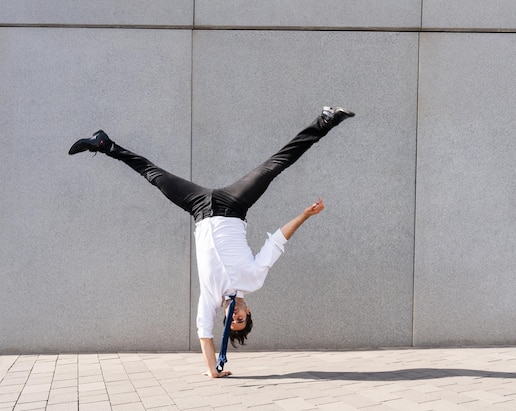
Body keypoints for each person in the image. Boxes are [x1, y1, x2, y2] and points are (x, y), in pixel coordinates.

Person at [68, 106, 355, 377]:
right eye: (240, 320)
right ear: (248, 312)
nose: (234, 319)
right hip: (234, 205)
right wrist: (305, 214)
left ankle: (104, 145)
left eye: (231, 323)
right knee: (274, 166)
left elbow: (204, 334)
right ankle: (326, 119)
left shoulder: (210, 299)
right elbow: (277, 241)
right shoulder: (253, 280)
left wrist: (212, 370)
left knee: (153, 174)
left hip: (200, 209)